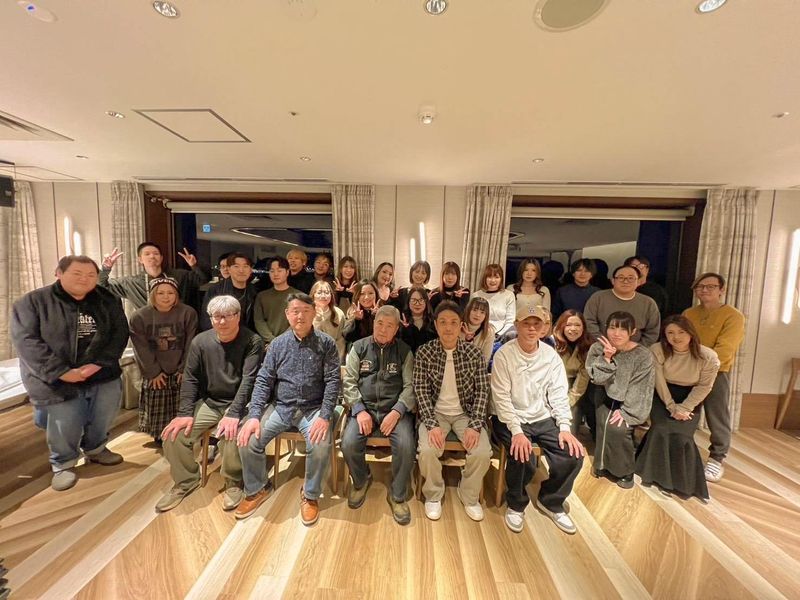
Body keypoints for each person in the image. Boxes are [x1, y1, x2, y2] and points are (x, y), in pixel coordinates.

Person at [11, 255, 129, 491]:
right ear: (59, 273)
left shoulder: (108, 299)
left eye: (91, 275)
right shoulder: (33, 302)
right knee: (66, 421)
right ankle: (63, 463)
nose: (84, 279)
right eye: (77, 273)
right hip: (55, 377)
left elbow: (119, 333)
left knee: (104, 414)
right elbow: (26, 341)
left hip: (100, 371)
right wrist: (61, 372)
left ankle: (96, 448)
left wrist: (98, 364)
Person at [236, 293, 341, 525]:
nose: (300, 316)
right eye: (295, 311)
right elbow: (263, 380)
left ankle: (310, 495)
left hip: (313, 408)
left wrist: (325, 416)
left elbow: (333, 381)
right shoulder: (277, 344)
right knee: (248, 438)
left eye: (305, 310)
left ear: (314, 313)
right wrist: (254, 416)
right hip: (282, 407)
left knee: (320, 445)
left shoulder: (326, 344)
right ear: (287, 314)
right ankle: (258, 488)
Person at [156, 296, 264, 512]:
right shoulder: (200, 341)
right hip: (211, 402)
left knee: (232, 435)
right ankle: (186, 480)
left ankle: (234, 480)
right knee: (173, 436)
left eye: (227, 316)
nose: (222, 321)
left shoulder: (253, 341)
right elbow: (190, 378)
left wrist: (234, 413)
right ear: (210, 318)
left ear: (238, 316)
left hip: (241, 403)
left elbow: (249, 380)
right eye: (217, 316)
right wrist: (185, 413)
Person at [491, 304, 586, 534]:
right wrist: (517, 432)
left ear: (544, 328)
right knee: (521, 453)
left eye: (537, 324)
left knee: (573, 455)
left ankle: (551, 500)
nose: (532, 328)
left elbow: (558, 394)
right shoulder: (504, 354)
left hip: (542, 416)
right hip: (510, 417)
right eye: (526, 323)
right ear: (517, 326)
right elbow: (501, 398)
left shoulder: (550, 356)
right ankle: (516, 503)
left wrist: (565, 427)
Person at [414, 301, 492, 522]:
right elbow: (420, 390)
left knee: (482, 452)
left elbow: (482, 391)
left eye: (453, 322)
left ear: (461, 325)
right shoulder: (425, 352)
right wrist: (431, 424)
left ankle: (468, 495)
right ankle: (433, 494)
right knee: (427, 450)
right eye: (443, 322)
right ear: (436, 325)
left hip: (465, 414)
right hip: (435, 413)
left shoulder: (474, 353)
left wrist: (475, 425)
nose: (448, 328)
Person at [341, 305, 416, 524]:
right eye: (380, 323)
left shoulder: (404, 351)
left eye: (389, 325)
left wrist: (397, 411)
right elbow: (349, 382)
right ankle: (361, 480)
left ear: (397, 329)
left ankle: (398, 494)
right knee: (348, 443)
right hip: (364, 409)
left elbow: (410, 386)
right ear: (373, 323)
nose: (383, 329)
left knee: (406, 445)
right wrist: (359, 410)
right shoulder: (358, 347)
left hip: (394, 410)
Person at [636, 316, 720, 501]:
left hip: (691, 397)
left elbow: (705, 386)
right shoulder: (657, 350)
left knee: (682, 436)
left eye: (681, 332)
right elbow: (658, 381)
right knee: (661, 428)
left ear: (691, 333)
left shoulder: (708, 356)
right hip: (663, 395)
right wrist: (671, 406)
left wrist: (685, 407)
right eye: (670, 333)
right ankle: (656, 476)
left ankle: (683, 483)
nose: (676, 337)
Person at [683, 272, 745, 483]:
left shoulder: (733, 316)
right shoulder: (689, 313)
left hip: (716, 372)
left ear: (722, 290)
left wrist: (703, 366)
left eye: (710, 286)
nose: (704, 290)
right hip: (687, 371)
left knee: (717, 415)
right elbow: (681, 340)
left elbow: (725, 349)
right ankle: (683, 452)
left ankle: (716, 459)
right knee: (686, 411)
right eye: (700, 287)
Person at [586, 311, 655, 489]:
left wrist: (627, 412)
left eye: (623, 329)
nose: (616, 333)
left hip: (630, 401)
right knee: (603, 427)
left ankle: (625, 470)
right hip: (603, 394)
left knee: (618, 429)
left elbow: (641, 387)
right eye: (612, 328)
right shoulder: (597, 348)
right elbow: (596, 379)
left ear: (633, 331)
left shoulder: (642, 355)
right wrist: (606, 358)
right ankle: (601, 465)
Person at [129, 277, 197, 445]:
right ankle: (160, 435)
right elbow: (140, 347)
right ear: (153, 294)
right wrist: (153, 372)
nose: (166, 297)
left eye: (170, 293)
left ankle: (180, 436)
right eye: (161, 293)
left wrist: (184, 368)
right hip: (155, 370)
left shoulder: (188, 313)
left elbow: (191, 343)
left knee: (181, 404)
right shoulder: (139, 317)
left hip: (180, 368)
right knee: (158, 405)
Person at [99, 242, 208, 310]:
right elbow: (101, 286)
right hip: (146, 329)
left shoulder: (179, 276)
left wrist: (194, 266)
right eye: (147, 254)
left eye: (156, 253)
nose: (152, 256)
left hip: (177, 326)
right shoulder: (130, 283)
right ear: (140, 259)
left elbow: (203, 280)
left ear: (161, 258)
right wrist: (105, 268)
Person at [583, 265, 661, 346]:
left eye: (631, 278)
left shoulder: (648, 303)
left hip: (635, 350)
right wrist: (604, 344)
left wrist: (635, 348)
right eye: (621, 277)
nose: (625, 281)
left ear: (638, 282)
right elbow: (589, 322)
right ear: (613, 281)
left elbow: (652, 331)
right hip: (600, 347)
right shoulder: (598, 297)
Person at [552, 310, 593, 434]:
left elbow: (583, 377)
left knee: (571, 418)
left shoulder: (588, 346)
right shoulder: (552, 342)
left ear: (583, 327)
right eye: (568, 325)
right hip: (552, 386)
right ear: (561, 326)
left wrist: (569, 401)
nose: (573, 329)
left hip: (575, 387)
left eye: (577, 325)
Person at [200, 252, 258, 331]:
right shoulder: (215, 290)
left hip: (247, 335)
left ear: (250, 270)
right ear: (229, 269)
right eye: (236, 266)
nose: (241, 270)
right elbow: (206, 319)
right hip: (221, 334)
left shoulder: (254, 291)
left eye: (245, 266)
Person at [254, 257, 300, 346]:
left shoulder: (299, 296)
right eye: (272, 271)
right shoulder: (261, 296)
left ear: (287, 272)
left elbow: (298, 321)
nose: (275, 274)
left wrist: (278, 341)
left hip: (291, 343)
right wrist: (272, 340)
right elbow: (259, 321)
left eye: (279, 270)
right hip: (267, 344)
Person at [473, 264, 516, 340]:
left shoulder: (508, 295)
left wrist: (498, 335)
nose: (493, 280)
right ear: (485, 278)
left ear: (501, 279)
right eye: (489, 277)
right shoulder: (476, 295)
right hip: (479, 335)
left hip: (501, 336)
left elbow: (510, 321)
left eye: (496, 277)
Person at [311, 279, 346, 361]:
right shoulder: (307, 312)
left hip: (333, 354)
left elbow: (340, 339)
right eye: (319, 292)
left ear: (331, 295)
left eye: (327, 292)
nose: (323, 296)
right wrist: (317, 320)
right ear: (313, 295)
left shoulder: (338, 313)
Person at [399, 284, 438, 353]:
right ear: (408, 302)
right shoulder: (401, 321)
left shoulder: (433, 322)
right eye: (414, 300)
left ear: (426, 302)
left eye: (421, 300)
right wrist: (406, 331)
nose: (417, 304)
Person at [343, 279, 380, 347]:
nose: (366, 297)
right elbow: (347, 337)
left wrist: (376, 316)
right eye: (362, 294)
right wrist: (357, 320)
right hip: (358, 350)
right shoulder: (352, 311)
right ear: (357, 296)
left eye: (370, 293)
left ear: (376, 294)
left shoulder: (383, 311)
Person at [460, 297, 495, 365]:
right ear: (468, 310)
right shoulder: (458, 326)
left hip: (477, 368)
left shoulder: (489, 331)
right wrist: (467, 341)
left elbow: (485, 359)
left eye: (482, 312)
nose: (477, 315)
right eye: (474, 310)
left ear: (486, 315)